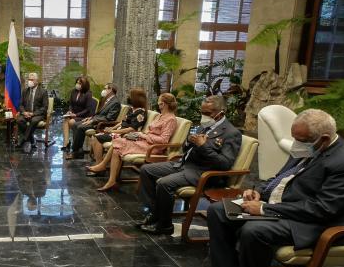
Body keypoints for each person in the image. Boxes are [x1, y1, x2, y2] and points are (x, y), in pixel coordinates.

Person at [201, 109, 344, 267]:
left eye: (302, 140)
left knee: (254, 231)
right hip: (286, 208)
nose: (296, 144)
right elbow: (280, 178)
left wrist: (264, 209)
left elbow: (323, 208)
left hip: (315, 223)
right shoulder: (308, 148)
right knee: (218, 211)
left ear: (324, 139)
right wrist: (258, 192)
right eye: (295, 138)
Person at [137, 95, 242, 234]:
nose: (204, 116)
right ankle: (154, 213)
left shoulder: (231, 133)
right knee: (146, 170)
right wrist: (188, 141)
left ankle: (165, 225)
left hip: (203, 173)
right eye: (202, 112)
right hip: (184, 164)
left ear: (220, 113)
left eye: (207, 113)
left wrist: (203, 146)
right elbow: (186, 148)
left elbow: (225, 164)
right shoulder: (205, 126)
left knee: (164, 183)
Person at [88, 92, 178, 192]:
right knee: (117, 145)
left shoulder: (170, 119)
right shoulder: (160, 116)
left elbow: (164, 140)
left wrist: (143, 136)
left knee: (118, 143)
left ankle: (103, 166)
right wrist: (140, 135)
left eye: (159, 101)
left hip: (153, 147)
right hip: (145, 142)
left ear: (163, 104)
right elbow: (150, 131)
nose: (158, 103)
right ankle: (111, 180)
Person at [86, 87, 148, 165]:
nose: (128, 97)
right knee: (95, 136)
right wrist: (112, 128)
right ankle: (99, 163)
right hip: (118, 132)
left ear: (135, 98)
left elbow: (132, 129)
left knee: (98, 138)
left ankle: (99, 165)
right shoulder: (131, 109)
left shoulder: (141, 112)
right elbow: (122, 122)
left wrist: (113, 131)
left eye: (130, 95)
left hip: (125, 135)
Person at [65, 83, 121, 160]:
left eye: (105, 88)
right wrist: (90, 118)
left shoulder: (115, 102)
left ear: (110, 90)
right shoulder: (106, 99)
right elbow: (99, 114)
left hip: (102, 124)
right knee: (75, 124)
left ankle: (75, 152)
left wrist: (93, 121)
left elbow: (109, 118)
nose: (103, 90)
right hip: (96, 120)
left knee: (80, 127)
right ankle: (79, 150)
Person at [16, 72, 48, 153]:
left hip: (37, 114)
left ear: (37, 81)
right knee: (19, 120)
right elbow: (20, 104)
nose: (29, 81)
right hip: (26, 113)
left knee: (33, 120)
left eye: (32, 80)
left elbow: (44, 107)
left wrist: (33, 114)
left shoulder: (43, 92)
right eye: (29, 79)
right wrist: (24, 112)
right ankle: (31, 139)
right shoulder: (25, 91)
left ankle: (24, 140)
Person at [61, 75, 94, 151]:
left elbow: (88, 109)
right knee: (65, 120)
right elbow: (71, 104)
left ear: (84, 85)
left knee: (71, 122)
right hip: (73, 114)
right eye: (77, 83)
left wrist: (76, 115)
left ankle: (76, 144)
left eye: (79, 83)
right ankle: (66, 143)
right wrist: (70, 111)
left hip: (83, 116)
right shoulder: (74, 91)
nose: (77, 85)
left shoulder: (88, 93)